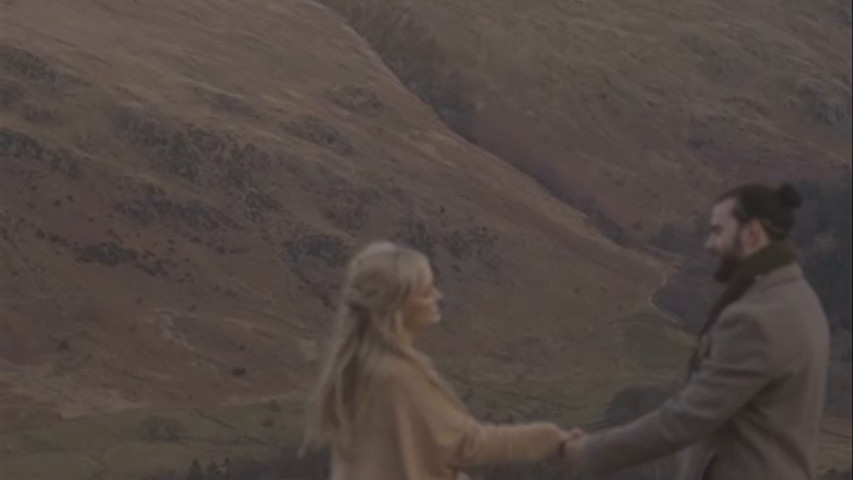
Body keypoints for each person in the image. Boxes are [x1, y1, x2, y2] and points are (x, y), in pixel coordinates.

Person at [561, 183, 831, 480]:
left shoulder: (757, 320)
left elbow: (688, 418)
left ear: (753, 232)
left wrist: (592, 452)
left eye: (718, 231)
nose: (709, 245)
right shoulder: (799, 297)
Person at [302, 241, 572, 480]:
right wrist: (551, 438)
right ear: (398, 305)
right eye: (426, 292)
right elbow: (467, 444)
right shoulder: (399, 376)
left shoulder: (358, 366)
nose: (437, 296)